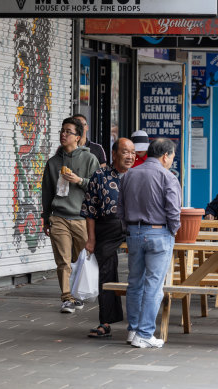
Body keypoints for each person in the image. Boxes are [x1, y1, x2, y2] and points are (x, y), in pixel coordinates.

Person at [117, 138, 181, 348]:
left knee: (134, 283)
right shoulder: (167, 177)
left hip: (134, 233)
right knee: (154, 286)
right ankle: (145, 333)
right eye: (172, 156)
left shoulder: (129, 174)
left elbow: (120, 208)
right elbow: (173, 210)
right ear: (165, 156)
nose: (172, 160)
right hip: (158, 233)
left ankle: (133, 330)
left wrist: (129, 229)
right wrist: (173, 230)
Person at [41, 116, 100, 313]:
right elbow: (47, 192)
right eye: (62, 131)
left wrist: (79, 180)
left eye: (68, 132)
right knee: (63, 260)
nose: (63, 134)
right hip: (58, 216)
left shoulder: (90, 159)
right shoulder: (53, 163)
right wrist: (45, 217)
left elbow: (97, 187)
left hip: (81, 218)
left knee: (79, 259)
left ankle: (77, 293)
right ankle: (67, 297)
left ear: (78, 137)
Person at [81, 138, 135, 339]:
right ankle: (106, 321)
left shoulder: (137, 176)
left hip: (134, 225)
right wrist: (91, 239)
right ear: (114, 154)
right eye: (125, 152)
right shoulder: (100, 175)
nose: (130, 156)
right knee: (106, 270)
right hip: (108, 226)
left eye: (132, 152)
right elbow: (90, 210)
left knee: (141, 268)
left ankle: (139, 322)